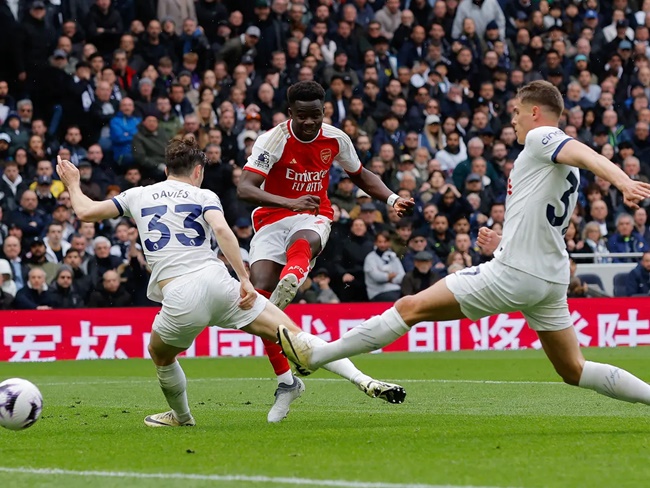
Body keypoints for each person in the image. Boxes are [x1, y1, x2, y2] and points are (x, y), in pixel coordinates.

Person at [279, 81, 650, 411]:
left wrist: (622, 181)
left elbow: (586, 152)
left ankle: (317, 354)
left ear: (535, 112)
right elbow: (545, 221)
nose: (514, 121)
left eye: (517, 113)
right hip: (549, 279)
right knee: (573, 369)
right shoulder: (559, 168)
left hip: (515, 273)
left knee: (410, 308)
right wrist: (504, 241)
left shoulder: (542, 138)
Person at [56, 139, 405, 428]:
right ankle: (363, 379)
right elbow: (222, 232)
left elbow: (86, 212)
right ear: (198, 171)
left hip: (180, 294)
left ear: (166, 170)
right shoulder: (205, 196)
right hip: (219, 282)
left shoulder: (138, 195)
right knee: (294, 336)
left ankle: (182, 417)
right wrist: (245, 279)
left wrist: (73, 182)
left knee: (161, 357)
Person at [237, 81, 414, 415]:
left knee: (304, 241)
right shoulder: (272, 140)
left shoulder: (335, 138)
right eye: (302, 116)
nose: (309, 122)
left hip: (313, 213)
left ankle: (293, 275)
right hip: (272, 218)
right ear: (290, 113)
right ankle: (287, 382)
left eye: (316, 115)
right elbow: (245, 188)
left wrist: (392, 198)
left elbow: (360, 175)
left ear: (324, 112)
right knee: (259, 298)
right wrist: (288, 201)